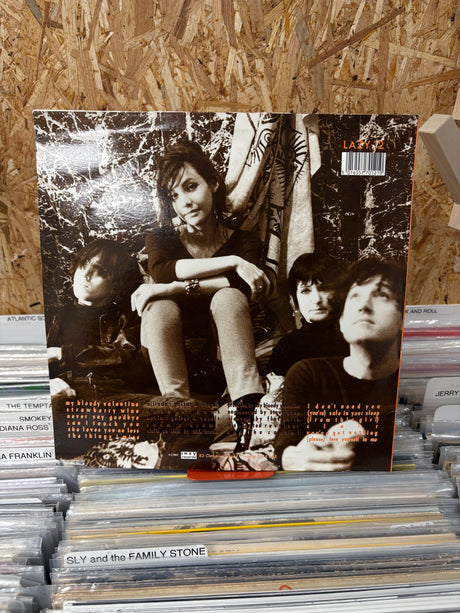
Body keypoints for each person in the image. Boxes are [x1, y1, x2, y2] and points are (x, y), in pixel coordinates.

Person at [131, 140, 272, 452]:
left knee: (229, 297)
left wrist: (171, 287)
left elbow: (243, 285)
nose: (185, 202)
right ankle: (180, 422)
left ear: (213, 183)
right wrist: (233, 262)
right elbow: (164, 270)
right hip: (169, 360)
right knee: (159, 306)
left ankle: (247, 415)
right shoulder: (161, 237)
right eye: (174, 196)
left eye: (191, 186)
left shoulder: (245, 241)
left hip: (222, 359)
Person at [274, 257, 406, 472]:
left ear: (404, 317)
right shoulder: (307, 373)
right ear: (342, 321)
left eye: (382, 295)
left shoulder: (412, 380)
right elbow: (285, 444)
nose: (364, 306)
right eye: (355, 297)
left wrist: (363, 428)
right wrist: (288, 457)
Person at [266, 252, 348, 377]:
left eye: (324, 288)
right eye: (305, 291)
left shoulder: (352, 338)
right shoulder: (288, 346)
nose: (316, 299)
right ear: (294, 299)